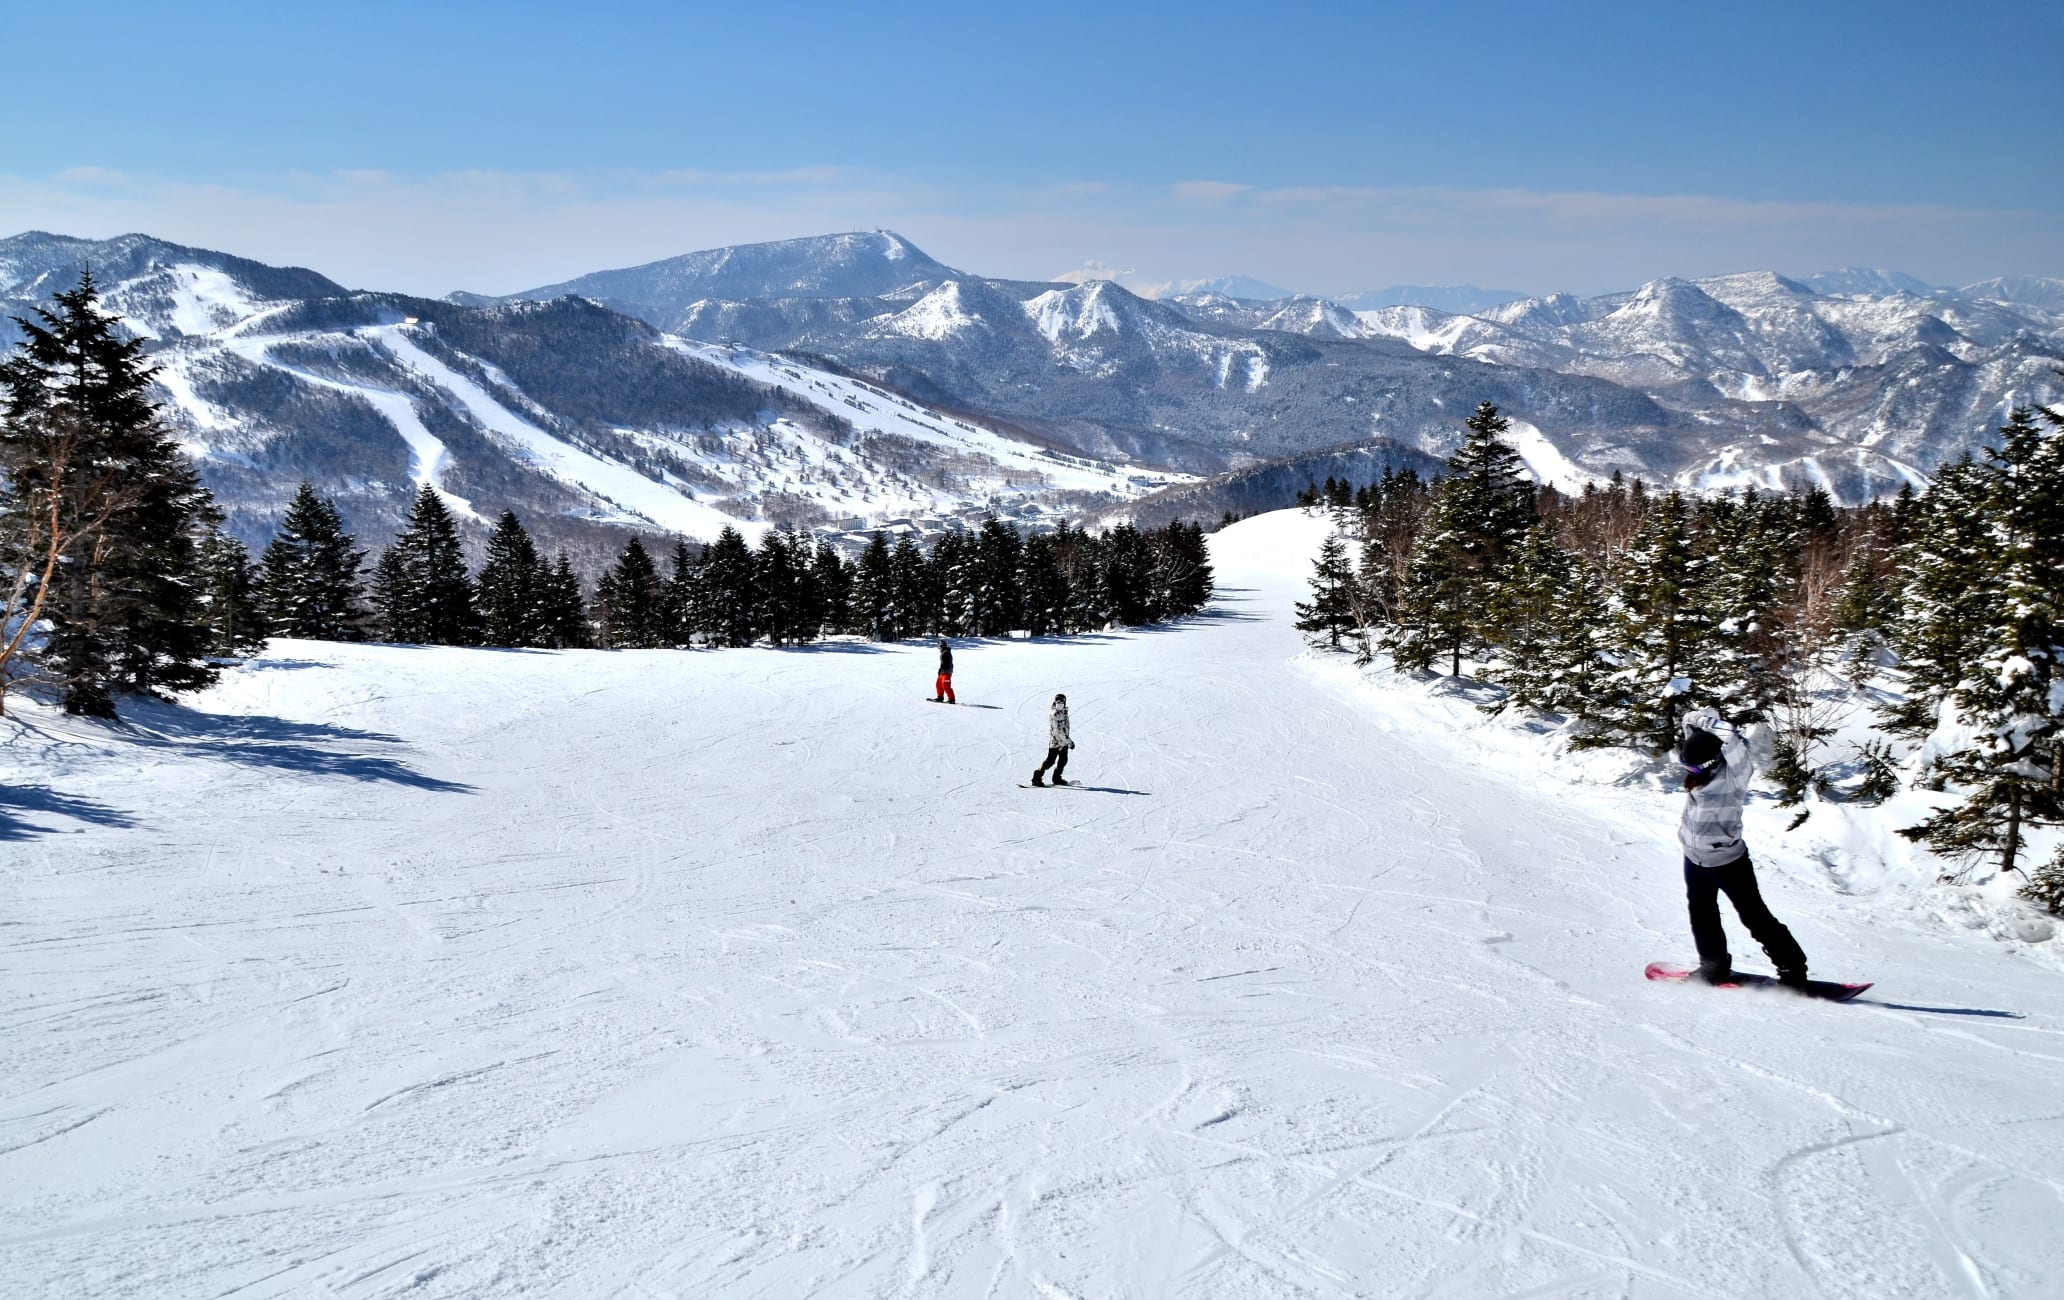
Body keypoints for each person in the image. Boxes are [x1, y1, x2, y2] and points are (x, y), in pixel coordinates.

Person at [1678, 706, 1808, 986]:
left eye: (1693, 767)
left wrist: (1714, 723)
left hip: (1727, 860)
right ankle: (1713, 966)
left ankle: (1793, 971)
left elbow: (1730, 736)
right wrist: (1701, 721)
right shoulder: (1700, 758)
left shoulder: (1735, 773)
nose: (1689, 772)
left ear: (1712, 762)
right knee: (1701, 913)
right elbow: (1689, 721)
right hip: (1694, 857)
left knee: (1754, 916)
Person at [1031, 693, 1074, 786]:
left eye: (1061, 702)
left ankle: (1057, 778)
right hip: (1055, 742)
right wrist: (1069, 741)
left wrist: (1066, 741)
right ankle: (1036, 777)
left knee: (1063, 761)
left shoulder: (1064, 712)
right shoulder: (1054, 714)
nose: (1060, 704)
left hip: (1064, 743)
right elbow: (1058, 731)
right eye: (1058, 702)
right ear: (1055, 702)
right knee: (1050, 762)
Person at [933, 638, 955, 704]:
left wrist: (943, 669)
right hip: (943, 671)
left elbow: (946, 663)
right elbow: (942, 663)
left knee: (946, 685)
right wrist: (940, 670)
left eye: (939, 646)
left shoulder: (946, 652)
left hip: (947, 672)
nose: (938, 648)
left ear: (941, 646)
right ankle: (940, 697)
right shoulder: (944, 652)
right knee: (938, 684)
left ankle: (951, 699)